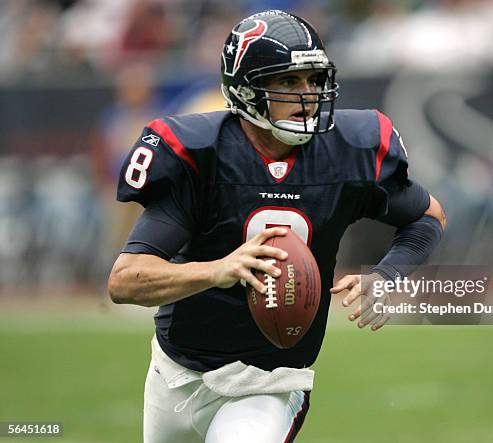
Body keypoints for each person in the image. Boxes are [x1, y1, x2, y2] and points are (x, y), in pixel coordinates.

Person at [107, 9, 446, 443]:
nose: (307, 95)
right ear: (245, 91)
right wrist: (219, 269)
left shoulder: (347, 150)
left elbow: (428, 217)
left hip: (272, 381)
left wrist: (387, 275)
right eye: (287, 82)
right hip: (175, 374)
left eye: (313, 80)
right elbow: (125, 281)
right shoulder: (202, 156)